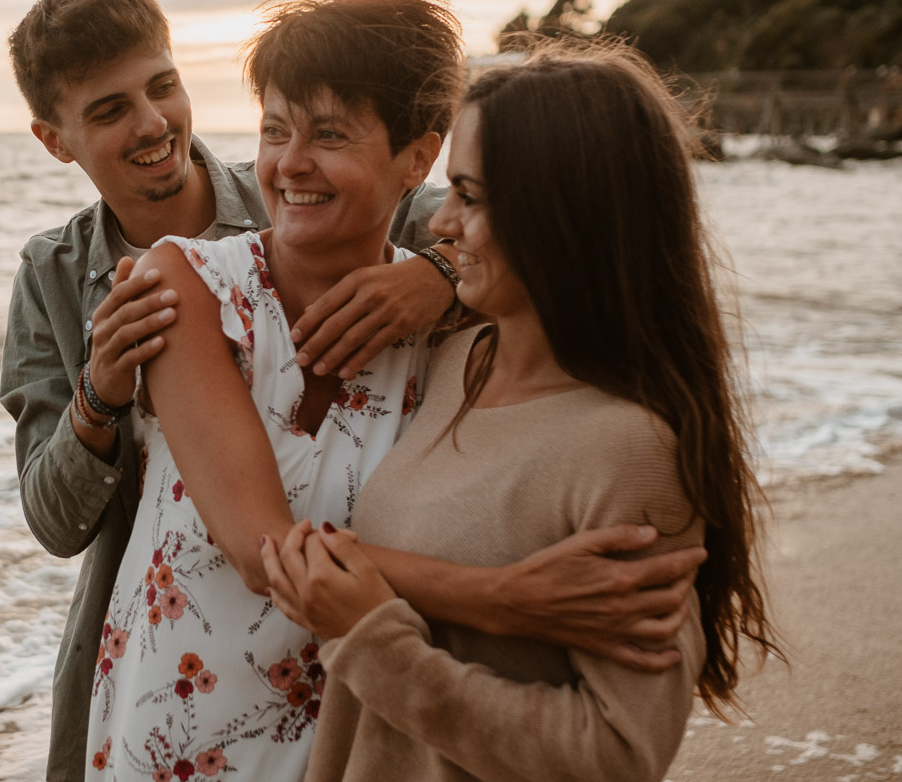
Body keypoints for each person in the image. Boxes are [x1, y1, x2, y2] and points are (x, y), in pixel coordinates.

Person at [0, 0, 705, 782]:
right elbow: (204, 538)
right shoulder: (159, 282)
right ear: (56, 139)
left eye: (163, 87)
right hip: (170, 727)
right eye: (275, 129)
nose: (153, 122)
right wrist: (503, 596)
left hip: (354, 736)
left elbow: (526, 217)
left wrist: (440, 278)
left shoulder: (454, 329)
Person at [261, 39, 784, 782]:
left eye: (470, 197)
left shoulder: (627, 448)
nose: (439, 225)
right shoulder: (452, 363)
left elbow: (617, 755)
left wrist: (373, 641)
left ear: (563, 213)